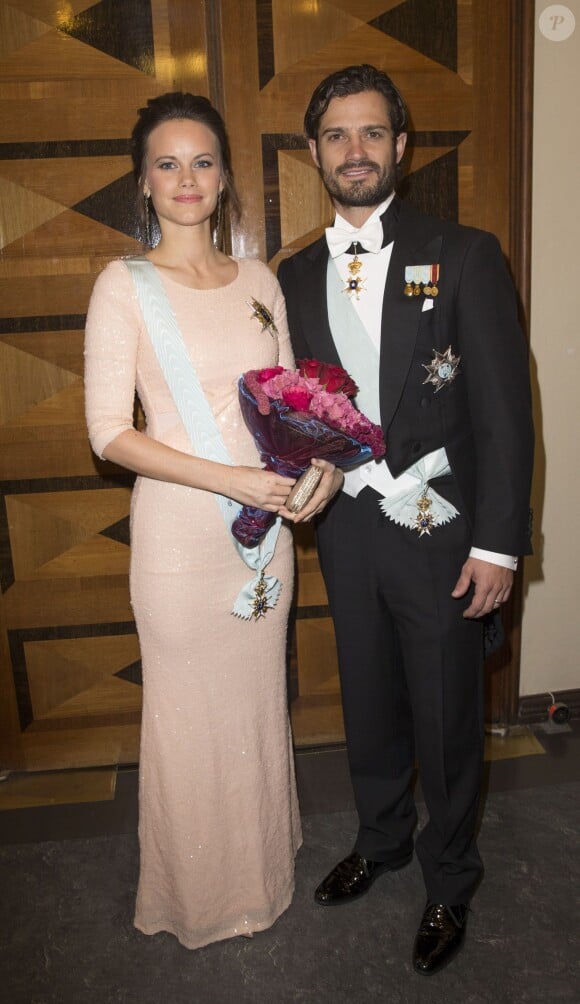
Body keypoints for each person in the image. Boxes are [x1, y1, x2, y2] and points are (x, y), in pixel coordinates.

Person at [278, 65, 534, 975]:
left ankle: (449, 877)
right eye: (338, 136)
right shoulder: (293, 273)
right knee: (371, 702)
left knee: (447, 713)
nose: (356, 151)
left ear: (402, 146)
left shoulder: (464, 253)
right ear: (314, 153)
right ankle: (382, 840)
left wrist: (501, 544)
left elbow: (506, 411)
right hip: (347, 529)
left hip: (444, 532)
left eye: (373, 133)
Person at [84, 91, 339, 950]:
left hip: (263, 535)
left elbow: (290, 408)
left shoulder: (260, 281)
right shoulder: (124, 285)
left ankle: (261, 870)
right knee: (190, 715)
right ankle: (197, 893)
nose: (186, 178)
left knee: (256, 707)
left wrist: (317, 476)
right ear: (144, 182)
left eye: (202, 161)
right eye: (167, 162)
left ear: (225, 178)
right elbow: (108, 433)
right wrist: (228, 477)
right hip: (180, 541)